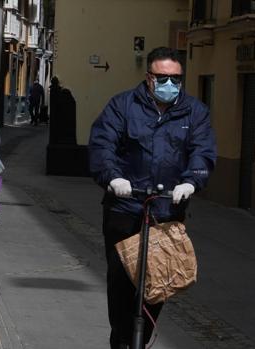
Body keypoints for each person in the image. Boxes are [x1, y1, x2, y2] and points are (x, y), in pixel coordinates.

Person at [88, 46, 217, 348]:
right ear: (149, 78)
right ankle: (121, 340)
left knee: (157, 283)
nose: (169, 84)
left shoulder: (194, 111)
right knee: (121, 283)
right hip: (125, 207)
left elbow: (203, 151)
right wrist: (113, 177)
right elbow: (102, 144)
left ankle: (139, 340)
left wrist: (192, 181)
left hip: (166, 211)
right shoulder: (123, 105)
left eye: (176, 78)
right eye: (162, 77)